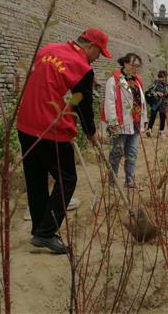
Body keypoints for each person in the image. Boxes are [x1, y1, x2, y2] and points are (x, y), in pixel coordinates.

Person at [17, 28, 108, 254]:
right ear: (91, 46)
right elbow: (83, 104)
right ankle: (47, 232)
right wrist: (91, 132)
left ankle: (39, 230)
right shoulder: (82, 67)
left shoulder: (48, 49)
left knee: (35, 179)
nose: (97, 58)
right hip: (49, 129)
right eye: (99, 53)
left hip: (25, 123)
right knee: (67, 178)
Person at [102, 53, 148, 188]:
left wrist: (144, 118)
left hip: (135, 123)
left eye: (138, 66)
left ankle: (129, 180)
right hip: (120, 124)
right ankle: (113, 181)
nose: (136, 69)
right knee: (116, 152)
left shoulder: (137, 81)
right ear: (125, 64)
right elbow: (110, 103)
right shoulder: (114, 80)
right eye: (134, 65)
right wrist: (113, 123)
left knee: (132, 152)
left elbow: (142, 102)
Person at [146, 70, 168, 138]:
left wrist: (166, 94)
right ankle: (149, 130)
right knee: (153, 116)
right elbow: (149, 90)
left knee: (162, 117)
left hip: (163, 103)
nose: (163, 78)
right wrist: (157, 93)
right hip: (155, 103)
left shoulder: (166, 85)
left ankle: (161, 131)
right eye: (161, 77)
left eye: (164, 77)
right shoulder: (156, 83)